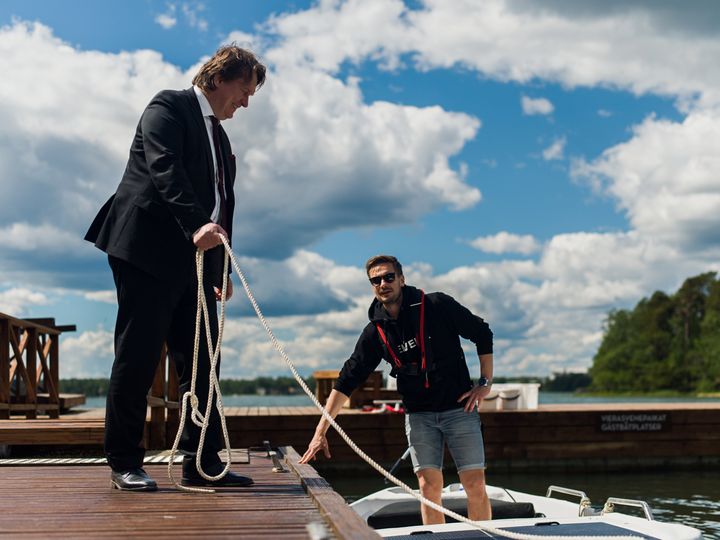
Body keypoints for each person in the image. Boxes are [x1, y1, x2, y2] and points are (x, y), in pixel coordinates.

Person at [85, 45, 266, 491]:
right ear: (220, 78)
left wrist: (221, 267)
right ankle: (125, 461)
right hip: (146, 249)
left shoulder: (220, 138)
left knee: (204, 360)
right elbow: (164, 169)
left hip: (197, 262)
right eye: (244, 91)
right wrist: (194, 227)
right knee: (139, 355)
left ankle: (201, 462)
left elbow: (223, 205)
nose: (245, 103)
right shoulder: (168, 106)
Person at [300, 255, 494, 524]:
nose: (383, 283)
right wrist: (320, 432)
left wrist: (484, 384)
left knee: (474, 485)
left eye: (389, 277)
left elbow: (482, 333)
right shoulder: (375, 331)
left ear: (401, 279)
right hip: (419, 415)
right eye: (376, 280)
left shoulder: (437, 305)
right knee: (428, 488)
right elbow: (347, 380)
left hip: (459, 408)